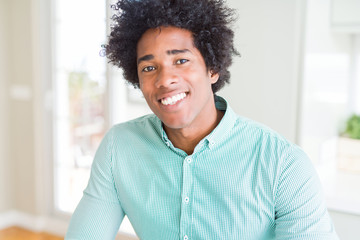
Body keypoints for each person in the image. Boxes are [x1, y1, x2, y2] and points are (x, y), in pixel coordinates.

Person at [66, 0, 338, 239]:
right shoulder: (119, 148)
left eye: (181, 61)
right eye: (149, 68)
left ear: (213, 69)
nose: (164, 79)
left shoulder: (283, 165)